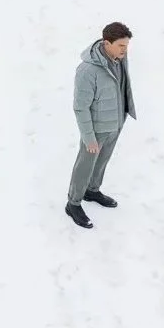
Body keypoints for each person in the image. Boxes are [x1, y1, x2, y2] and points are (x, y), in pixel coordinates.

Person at [66, 22, 136, 229]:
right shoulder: (87, 70)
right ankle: (73, 203)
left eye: (127, 45)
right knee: (84, 165)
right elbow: (80, 107)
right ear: (107, 43)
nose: (126, 50)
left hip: (115, 123)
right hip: (95, 129)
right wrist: (89, 137)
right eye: (121, 46)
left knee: (102, 162)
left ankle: (92, 190)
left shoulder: (120, 59)